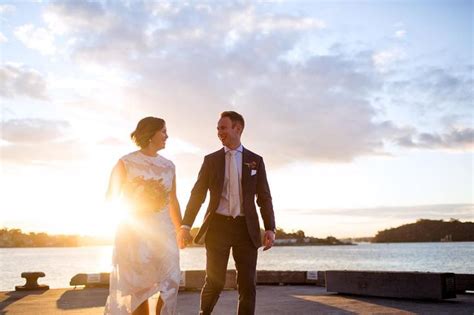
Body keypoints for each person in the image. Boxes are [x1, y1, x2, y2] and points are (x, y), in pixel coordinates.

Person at [178, 111, 276, 315]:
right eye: (218, 128)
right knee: (215, 281)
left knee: (247, 283)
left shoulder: (255, 161)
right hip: (218, 227)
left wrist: (270, 228)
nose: (219, 132)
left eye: (223, 127)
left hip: (245, 229)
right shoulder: (210, 160)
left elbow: (264, 197)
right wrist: (186, 225)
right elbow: (197, 195)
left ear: (237, 128)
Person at [105, 117, 182, 315]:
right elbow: (111, 197)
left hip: (164, 234)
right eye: (163, 131)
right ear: (150, 133)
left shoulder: (169, 166)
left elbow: (173, 200)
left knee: (171, 281)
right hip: (135, 233)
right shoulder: (126, 163)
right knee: (138, 287)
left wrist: (181, 229)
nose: (167, 136)